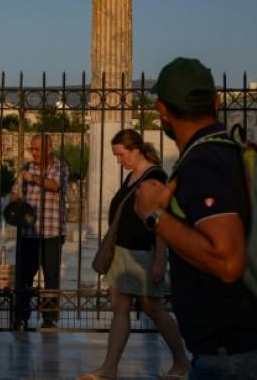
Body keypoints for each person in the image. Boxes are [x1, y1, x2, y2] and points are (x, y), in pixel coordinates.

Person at [134, 57, 257, 380]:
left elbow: (228, 261)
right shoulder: (232, 149)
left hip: (237, 354)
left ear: (161, 109)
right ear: (217, 102)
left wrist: (155, 216)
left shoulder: (203, 162)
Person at [80, 129, 190, 380]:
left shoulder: (155, 176)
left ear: (136, 150)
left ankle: (182, 362)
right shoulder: (132, 175)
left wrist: (159, 260)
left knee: (153, 309)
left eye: (121, 155)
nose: (119, 160)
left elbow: (162, 219)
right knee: (119, 309)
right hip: (122, 251)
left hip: (143, 253)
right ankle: (109, 368)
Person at [11, 133, 69, 330]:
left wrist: (33, 178)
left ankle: (49, 316)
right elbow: (14, 192)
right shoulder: (26, 167)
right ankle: (21, 315)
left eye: (37, 149)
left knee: (51, 275)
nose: (33, 153)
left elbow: (55, 185)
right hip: (29, 231)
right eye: (32, 149)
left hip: (52, 231)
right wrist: (15, 199)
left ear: (49, 149)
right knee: (25, 275)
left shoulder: (60, 166)